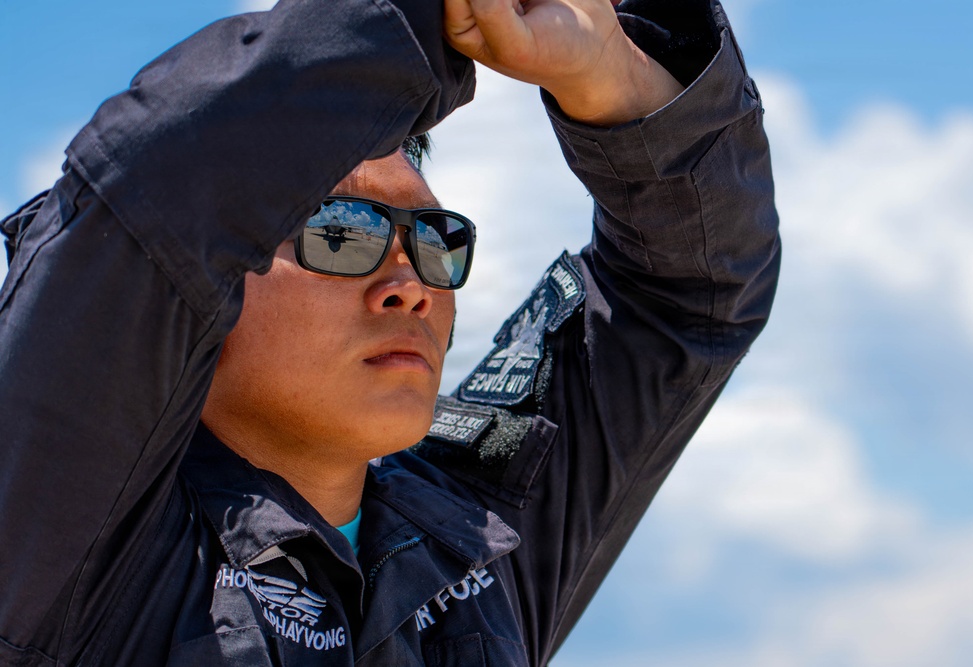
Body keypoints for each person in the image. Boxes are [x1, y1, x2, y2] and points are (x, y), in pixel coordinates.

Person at [0, 0, 780, 664]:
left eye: (434, 239)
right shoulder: (69, 531)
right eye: (341, 232)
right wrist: (430, 17)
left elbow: (687, 298)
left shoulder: (474, 546)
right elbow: (155, 191)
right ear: (209, 270)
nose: (410, 286)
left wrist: (615, 72)